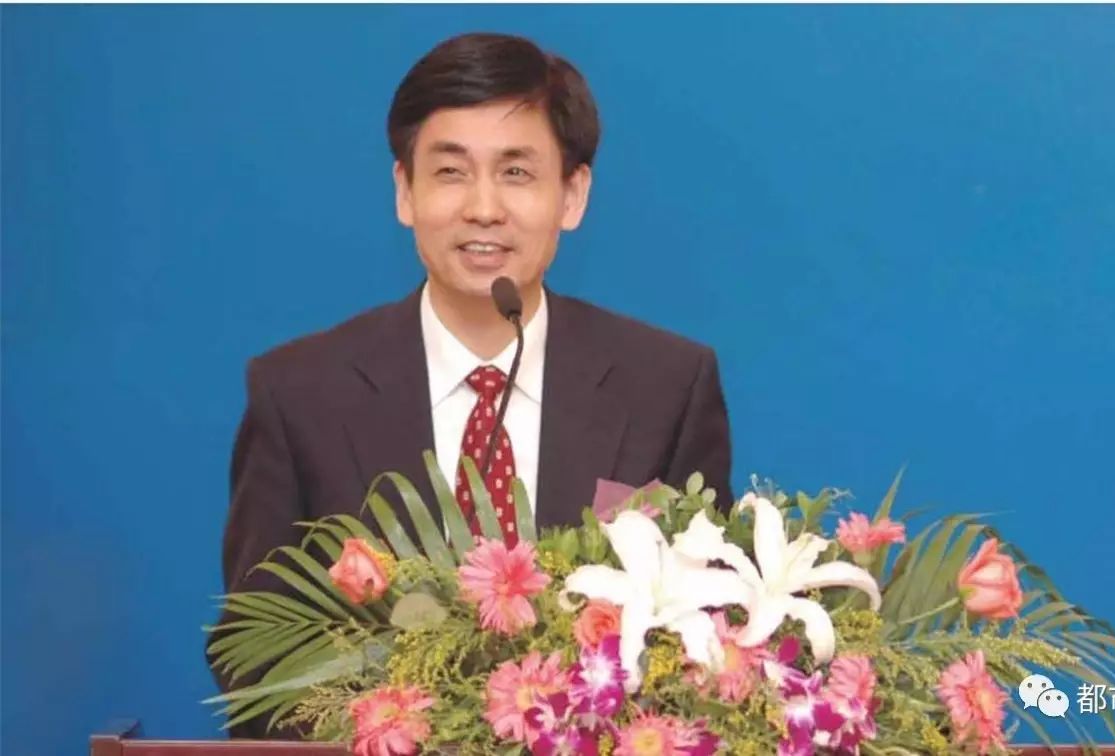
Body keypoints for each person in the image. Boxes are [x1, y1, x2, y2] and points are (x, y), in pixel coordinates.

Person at [210, 32, 733, 738]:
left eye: (516, 172)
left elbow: (708, 641)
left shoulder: (667, 386)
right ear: (405, 190)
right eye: (451, 172)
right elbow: (256, 657)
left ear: (572, 195)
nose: (483, 208)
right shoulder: (299, 393)